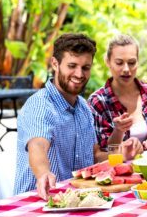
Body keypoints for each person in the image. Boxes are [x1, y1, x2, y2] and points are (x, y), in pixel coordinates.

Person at [14, 34, 103, 200]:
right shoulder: (40, 105)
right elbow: (38, 146)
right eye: (72, 66)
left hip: (77, 201)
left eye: (85, 67)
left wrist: (123, 153)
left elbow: (95, 154)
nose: (79, 74)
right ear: (55, 64)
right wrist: (44, 173)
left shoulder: (84, 107)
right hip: (37, 204)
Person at [88, 34, 147, 153]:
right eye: (119, 63)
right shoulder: (98, 101)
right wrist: (118, 131)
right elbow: (103, 152)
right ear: (108, 62)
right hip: (120, 170)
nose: (126, 69)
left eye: (131, 62)